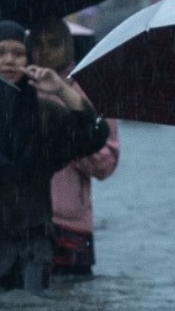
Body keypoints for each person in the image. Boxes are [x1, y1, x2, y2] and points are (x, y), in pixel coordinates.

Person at [0, 21, 111, 297]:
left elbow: (95, 134)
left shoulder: (43, 115)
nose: (9, 60)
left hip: (29, 247)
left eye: (18, 53)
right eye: (0, 52)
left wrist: (61, 89)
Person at [29, 16, 121, 277]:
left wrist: (71, 139)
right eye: (37, 44)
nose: (44, 51)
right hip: (25, 222)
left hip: (72, 224)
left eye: (53, 44)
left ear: (68, 46)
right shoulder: (20, 89)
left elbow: (105, 164)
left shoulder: (92, 90)